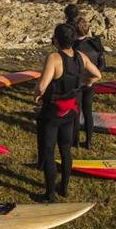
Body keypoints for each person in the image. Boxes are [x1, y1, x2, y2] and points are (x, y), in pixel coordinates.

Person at [33, 23, 101, 203]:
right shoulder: (81, 56)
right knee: (65, 150)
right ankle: (63, 187)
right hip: (70, 110)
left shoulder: (54, 58)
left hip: (53, 112)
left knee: (48, 152)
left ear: (55, 39)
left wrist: (37, 94)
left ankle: (49, 195)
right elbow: (97, 75)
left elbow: (41, 86)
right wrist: (84, 84)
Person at [72, 17, 105, 149]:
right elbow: (103, 65)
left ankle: (75, 140)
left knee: (76, 112)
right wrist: (92, 77)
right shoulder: (95, 44)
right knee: (88, 112)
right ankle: (89, 141)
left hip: (77, 82)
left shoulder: (73, 46)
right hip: (91, 81)